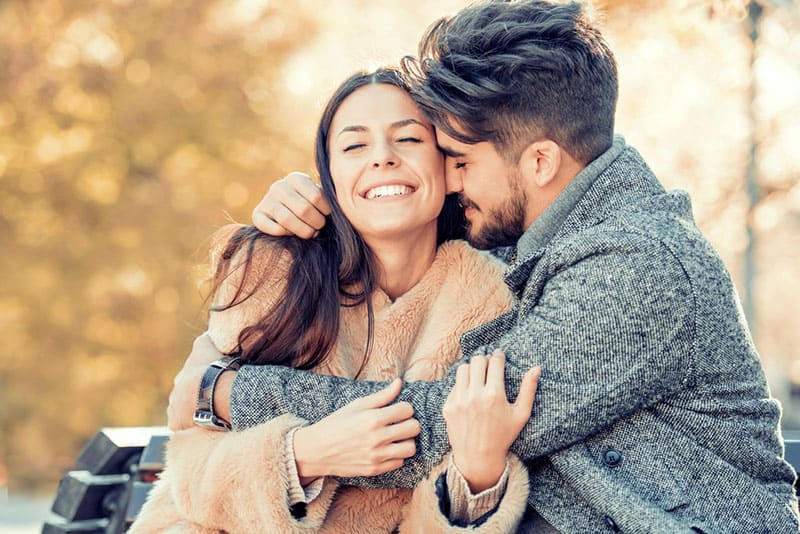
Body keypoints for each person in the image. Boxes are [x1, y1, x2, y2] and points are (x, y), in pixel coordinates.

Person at [169, 1, 800, 532]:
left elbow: (446, 424)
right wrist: (315, 201)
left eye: (460, 159)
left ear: (540, 163)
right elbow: (393, 204)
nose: (451, 176)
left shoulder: (635, 267)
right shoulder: (544, 238)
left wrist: (225, 392)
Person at [132, 68, 540, 533]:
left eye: (408, 140)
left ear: (448, 167)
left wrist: (477, 477)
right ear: (329, 177)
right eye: (354, 146)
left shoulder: (491, 297)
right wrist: (304, 454)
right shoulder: (273, 265)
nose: (382, 159)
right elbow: (190, 468)